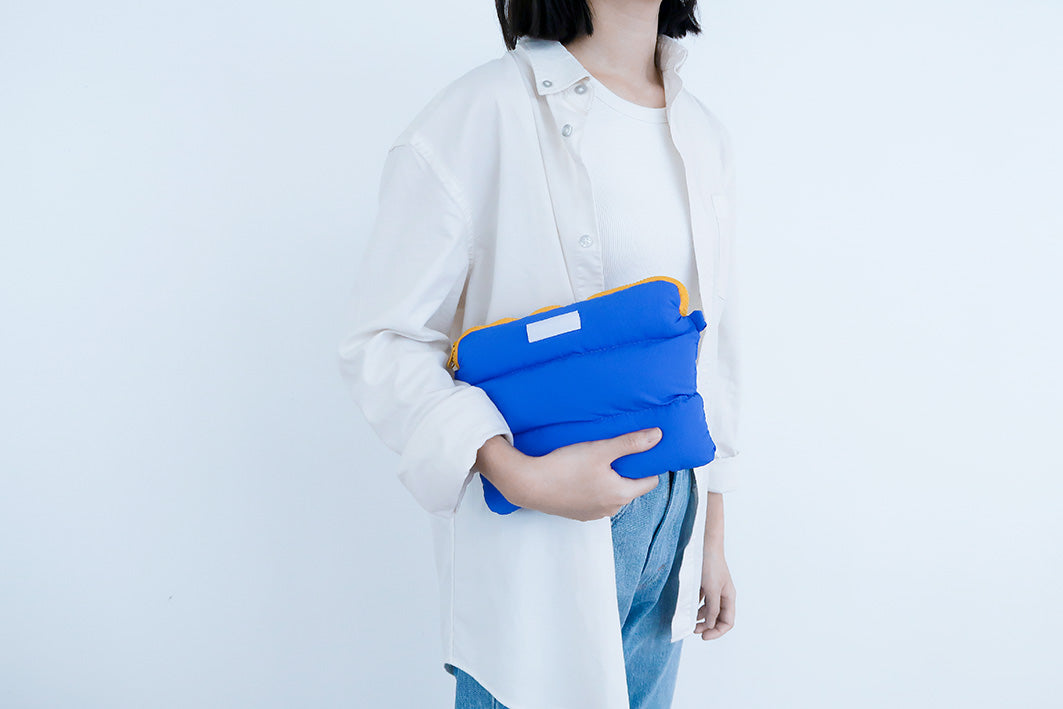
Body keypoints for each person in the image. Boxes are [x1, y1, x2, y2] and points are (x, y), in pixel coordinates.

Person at [337, 1, 741, 706]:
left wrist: (710, 529)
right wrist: (516, 474)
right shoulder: (480, 112)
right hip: (538, 522)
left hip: (671, 520)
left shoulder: (701, 131)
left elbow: (717, 342)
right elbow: (383, 340)